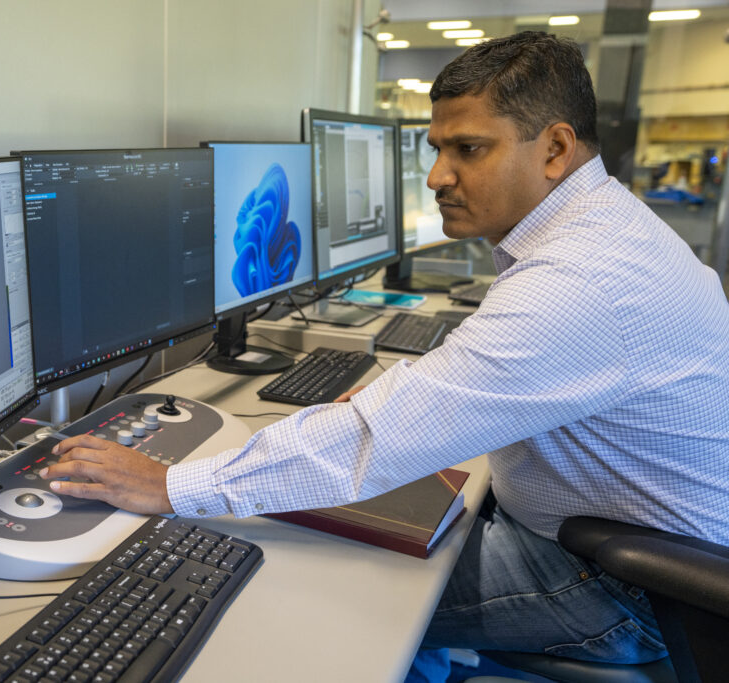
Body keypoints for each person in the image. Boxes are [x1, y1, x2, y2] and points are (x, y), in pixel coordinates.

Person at [40, 32, 729, 680]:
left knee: (310, 578)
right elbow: (487, 375)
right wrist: (402, 398)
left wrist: (168, 485)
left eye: (467, 150)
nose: (436, 177)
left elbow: (375, 439)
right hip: (607, 539)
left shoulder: (582, 278)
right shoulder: (599, 230)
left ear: (554, 149)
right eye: (436, 150)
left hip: (624, 589)